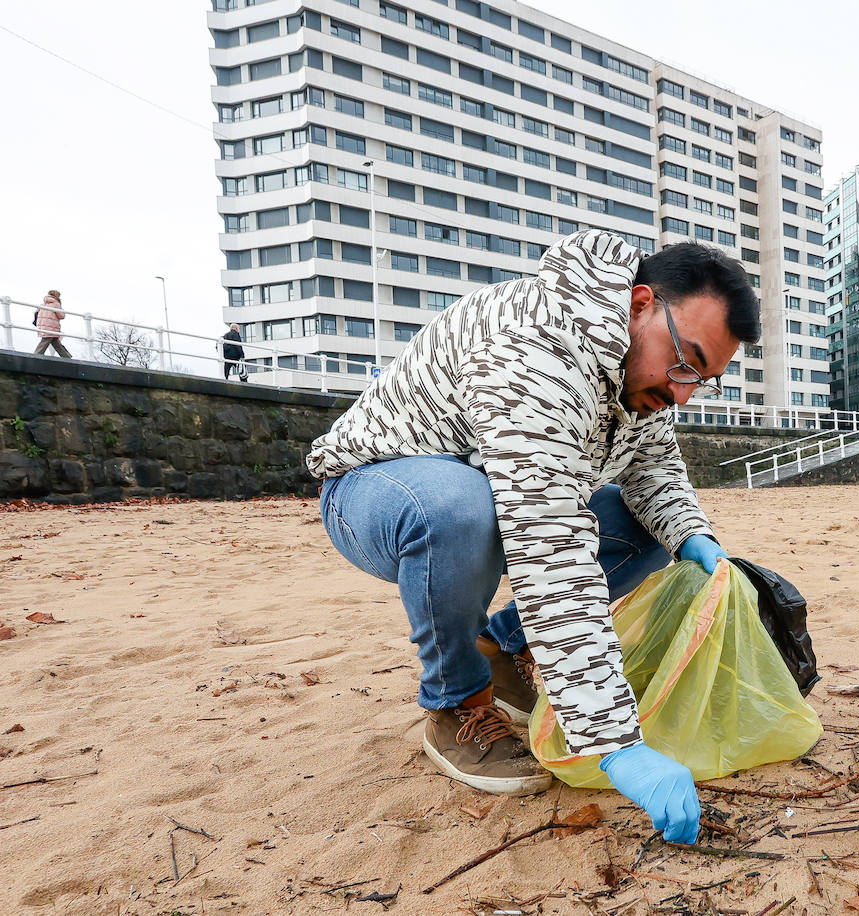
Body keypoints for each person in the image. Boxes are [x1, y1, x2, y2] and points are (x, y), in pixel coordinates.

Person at [307, 230, 760, 845]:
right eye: (684, 363)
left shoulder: (635, 366)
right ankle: (455, 701)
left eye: (701, 379)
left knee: (653, 531)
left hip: (484, 491)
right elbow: (550, 549)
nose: (681, 391)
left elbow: (652, 470)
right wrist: (615, 745)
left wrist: (694, 538)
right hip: (376, 493)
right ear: (640, 303)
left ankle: (504, 651)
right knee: (460, 511)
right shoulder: (538, 351)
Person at [33, 290, 72, 359]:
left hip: (42, 326)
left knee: (55, 341)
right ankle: (36, 356)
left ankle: (67, 357)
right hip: (51, 326)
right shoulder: (56, 304)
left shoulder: (43, 304)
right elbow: (62, 316)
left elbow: (36, 313)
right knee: (45, 341)